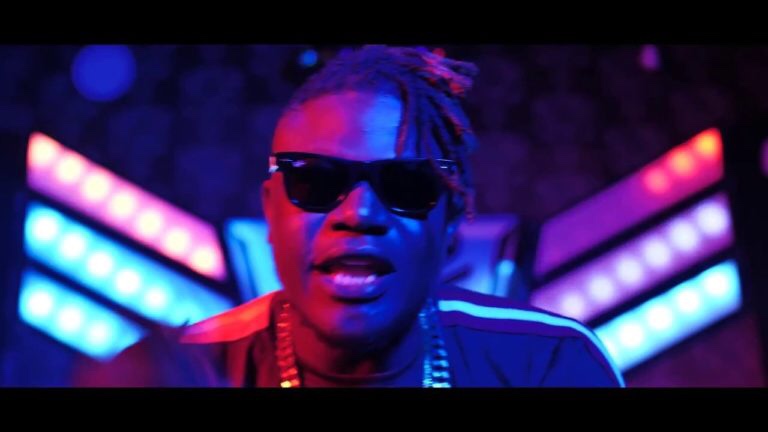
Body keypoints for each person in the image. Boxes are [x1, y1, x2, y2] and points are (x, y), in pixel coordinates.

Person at [76, 45, 624, 388]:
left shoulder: (547, 364)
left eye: (405, 185)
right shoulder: (187, 372)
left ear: (451, 221)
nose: (359, 213)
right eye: (316, 182)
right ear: (271, 210)